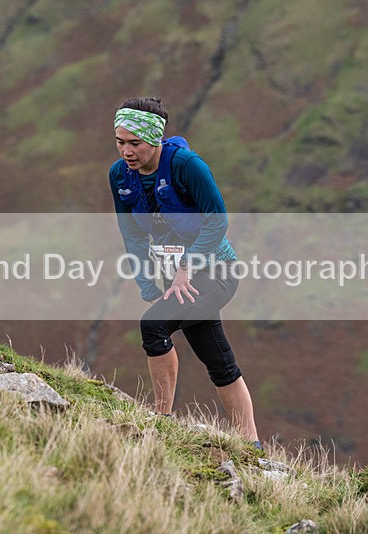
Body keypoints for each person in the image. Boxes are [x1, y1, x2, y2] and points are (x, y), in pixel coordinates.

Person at [109, 96, 261, 447]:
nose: (127, 151)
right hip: (176, 279)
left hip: (216, 272)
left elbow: (217, 221)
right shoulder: (119, 175)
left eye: (135, 143)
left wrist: (185, 267)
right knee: (218, 361)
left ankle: (160, 420)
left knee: (153, 326)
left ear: (155, 138)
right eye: (120, 142)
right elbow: (131, 234)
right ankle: (252, 445)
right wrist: (148, 284)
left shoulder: (187, 166)